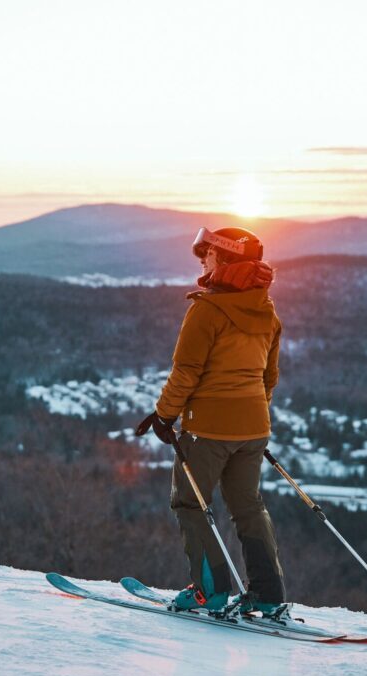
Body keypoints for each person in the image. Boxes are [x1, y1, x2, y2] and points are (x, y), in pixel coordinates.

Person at [135, 226, 286, 617]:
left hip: (209, 430)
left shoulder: (206, 310)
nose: (203, 260)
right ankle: (268, 594)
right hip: (255, 427)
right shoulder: (266, 310)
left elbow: (186, 372)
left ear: (226, 260)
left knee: (189, 502)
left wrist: (165, 415)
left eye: (209, 254)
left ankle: (211, 591)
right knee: (248, 507)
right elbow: (269, 377)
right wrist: (252, 415)